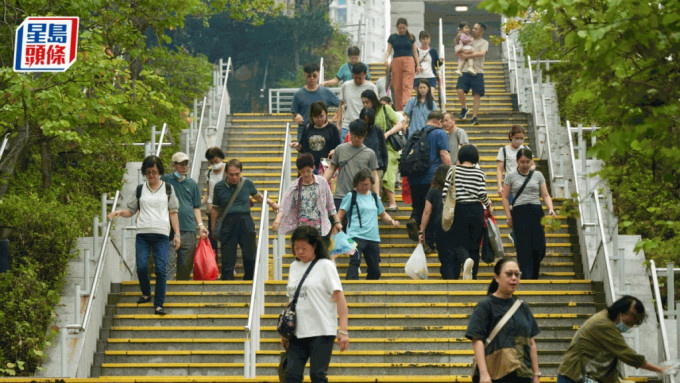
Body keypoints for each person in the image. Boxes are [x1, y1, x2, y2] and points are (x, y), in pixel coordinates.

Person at [107, 155, 181, 315]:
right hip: (143, 233)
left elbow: (173, 212)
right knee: (141, 266)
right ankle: (146, 293)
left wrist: (177, 234)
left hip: (162, 233)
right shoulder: (140, 189)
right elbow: (131, 210)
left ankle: (159, 304)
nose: (151, 176)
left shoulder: (168, 188)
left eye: (154, 172)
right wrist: (120, 212)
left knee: (161, 269)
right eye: (148, 173)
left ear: (159, 171)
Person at [281, 225, 349, 383]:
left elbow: (339, 297)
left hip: (322, 331)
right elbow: (291, 299)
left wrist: (343, 330)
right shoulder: (293, 267)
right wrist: (285, 331)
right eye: (296, 248)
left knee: (317, 376)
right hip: (297, 332)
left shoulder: (325, 266)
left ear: (315, 246)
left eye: (304, 248)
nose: (299, 252)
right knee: (291, 376)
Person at [557, 295, 668, 383]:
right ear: (620, 312)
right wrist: (660, 369)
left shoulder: (606, 318)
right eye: (628, 322)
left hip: (581, 375)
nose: (628, 326)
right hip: (573, 376)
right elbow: (628, 355)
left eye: (632, 324)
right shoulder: (604, 325)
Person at [466, 258, 541, 383]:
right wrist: (484, 375)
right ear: (496, 277)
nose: (514, 278)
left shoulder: (523, 307)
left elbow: (531, 343)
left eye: (517, 274)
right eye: (509, 274)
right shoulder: (486, 306)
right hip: (495, 376)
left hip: (523, 375)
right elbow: (477, 340)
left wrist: (536, 374)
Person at [211, 159, 278, 280]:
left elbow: (258, 197)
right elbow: (215, 209)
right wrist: (213, 228)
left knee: (250, 254)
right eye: (231, 174)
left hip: (245, 220)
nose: (234, 177)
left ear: (241, 172)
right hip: (228, 222)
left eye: (237, 174)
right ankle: (227, 283)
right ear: (226, 173)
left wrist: (272, 203)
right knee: (227, 257)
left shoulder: (247, 183)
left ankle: (250, 280)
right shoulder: (219, 187)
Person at [501, 148, 556, 279]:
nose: (525, 165)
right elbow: (504, 197)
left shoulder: (538, 175)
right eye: (522, 162)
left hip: (536, 211)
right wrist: (509, 216)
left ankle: (534, 272)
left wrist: (551, 208)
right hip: (520, 212)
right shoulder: (510, 176)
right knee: (523, 245)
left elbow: (546, 195)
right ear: (517, 162)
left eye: (527, 162)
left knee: (539, 246)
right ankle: (526, 275)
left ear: (531, 162)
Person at [336, 169, 399, 279]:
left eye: (368, 184)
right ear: (357, 183)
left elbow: (382, 214)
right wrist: (337, 226)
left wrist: (391, 221)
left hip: (373, 236)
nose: (365, 187)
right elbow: (341, 213)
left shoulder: (374, 197)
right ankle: (351, 286)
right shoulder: (351, 196)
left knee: (374, 267)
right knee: (355, 260)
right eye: (362, 184)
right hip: (355, 235)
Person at [441, 144, 491, 280]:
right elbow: (482, 193)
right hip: (476, 211)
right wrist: (488, 206)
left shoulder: (453, 170)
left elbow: (445, 193)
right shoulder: (480, 173)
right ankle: (472, 275)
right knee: (474, 245)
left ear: (460, 156)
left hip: (459, 210)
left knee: (458, 243)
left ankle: (465, 261)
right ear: (476, 157)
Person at [273, 153, 342, 243]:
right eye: (302, 171)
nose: (306, 174)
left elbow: (330, 204)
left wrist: (337, 222)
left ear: (313, 167)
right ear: (298, 170)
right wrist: (278, 220)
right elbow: (284, 205)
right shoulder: (294, 186)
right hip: (302, 229)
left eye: (308, 171)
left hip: (321, 229)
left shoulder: (322, 182)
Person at [161, 152, 209, 280]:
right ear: (173, 165)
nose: (184, 167)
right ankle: (167, 290)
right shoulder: (165, 180)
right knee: (168, 262)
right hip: (169, 228)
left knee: (186, 264)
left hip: (189, 228)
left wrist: (200, 225)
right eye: (181, 164)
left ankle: (181, 290)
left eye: (186, 164)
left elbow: (196, 206)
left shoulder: (191, 183)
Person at [405, 111, 451, 242]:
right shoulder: (440, 133)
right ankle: (429, 242)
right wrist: (452, 172)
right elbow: (444, 154)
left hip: (414, 178)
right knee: (431, 210)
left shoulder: (416, 133)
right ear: (439, 121)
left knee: (419, 207)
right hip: (432, 178)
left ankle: (414, 220)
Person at [323, 120, 380, 212]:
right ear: (350, 133)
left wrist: (377, 195)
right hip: (341, 196)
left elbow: (374, 174)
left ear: (365, 135)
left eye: (359, 136)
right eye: (354, 135)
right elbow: (331, 169)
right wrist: (322, 183)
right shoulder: (340, 149)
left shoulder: (370, 153)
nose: (356, 139)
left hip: (361, 196)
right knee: (338, 224)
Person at [363, 90, 406, 210]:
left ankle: (393, 203)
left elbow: (399, 124)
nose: (365, 105)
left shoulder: (385, 108)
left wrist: (387, 133)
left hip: (388, 146)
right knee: (377, 173)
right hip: (374, 147)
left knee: (388, 173)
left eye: (367, 102)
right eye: (363, 103)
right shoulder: (367, 113)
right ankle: (381, 199)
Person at [291, 62, 340, 142]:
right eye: (309, 76)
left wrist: (333, 119)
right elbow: (294, 112)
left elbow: (342, 105)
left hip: (323, 134)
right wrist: (296, 116)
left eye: (314, 76)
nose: (312, 78)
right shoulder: (299, 94)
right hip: (304, 134)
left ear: (319, 75)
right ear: (304, 75)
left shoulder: (326, 92)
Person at [292, 101, 341, 174]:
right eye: (316, 117)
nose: (319, 119)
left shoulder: (332, 129)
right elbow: (303, 148)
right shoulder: (308, 128)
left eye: (321, 116)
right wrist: (298, 146)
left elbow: (338, 147)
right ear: (311, 116)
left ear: (326, 114)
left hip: (326, 166)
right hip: (310, 166)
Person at [385, 18, 421, 111]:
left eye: (403, 28)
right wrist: (386, 59)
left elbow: (415, 52)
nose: (401, 30)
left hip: (409, 61)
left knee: (407, 84)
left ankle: (406, 105)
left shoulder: (411, 37)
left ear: (406, 27)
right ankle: (399, 108)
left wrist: (418, 64)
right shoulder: (392, 37)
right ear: (397, 27)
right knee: (397, 86)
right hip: (396, 61)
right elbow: (388, 50)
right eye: (400, 28)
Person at [457, 22, 489, 126]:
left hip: (478, 71)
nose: (473, 30)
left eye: (476, 29)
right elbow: (458, 51)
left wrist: (469, 54)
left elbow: (482, 53)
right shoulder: (467, 39)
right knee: (459, 90)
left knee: (477, 95)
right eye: (473, 28)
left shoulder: (484, 42)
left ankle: (474, 117)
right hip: (465, 70)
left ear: (482, 31)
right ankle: (464, 108)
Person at [336, 62, 377, 142]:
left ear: (365, 74)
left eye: (360, 78)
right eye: (355, 77)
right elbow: (341, 105)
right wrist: (338, 124)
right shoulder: (346, 86)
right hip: (347, 127)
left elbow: (375, 108)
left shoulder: (371, 87)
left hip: (365, 128)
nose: (357, 80)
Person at [418, 164, 450, 256]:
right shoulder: (453, 190)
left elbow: (427, 211)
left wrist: (422, 230)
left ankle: (430, 245)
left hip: (439, 224)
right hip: (452, 222)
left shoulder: (433, 191)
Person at [496, 125, 531, 200]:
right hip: (510, 186)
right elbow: (499, 170)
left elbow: (532, 165)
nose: (519, 141)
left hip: (525, 185)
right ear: (511, 136)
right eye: (517, 138)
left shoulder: (526, 149)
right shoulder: (504, 150)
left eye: (521, 138)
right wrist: (499, 186)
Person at [202, 147, 226, 252]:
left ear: (221, 158)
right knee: (212, 237)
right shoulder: (209, 173)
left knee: (226, 238)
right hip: (212, 210)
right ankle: (213, 264)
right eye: (212, 162)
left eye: (216, 161)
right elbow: (208, 194)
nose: (214, 164)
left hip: (225, 209)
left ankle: (228, 265)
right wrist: (198, 203)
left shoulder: (229, 171)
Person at [358, 107, 388, 180]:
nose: (367, 122)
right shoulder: (358, 131)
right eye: (365, 120)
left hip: (377, 167)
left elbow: (384, 149)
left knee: (376, 190)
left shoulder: (378, 131)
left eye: (368, 120)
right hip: (361, 168)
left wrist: (384, 167)